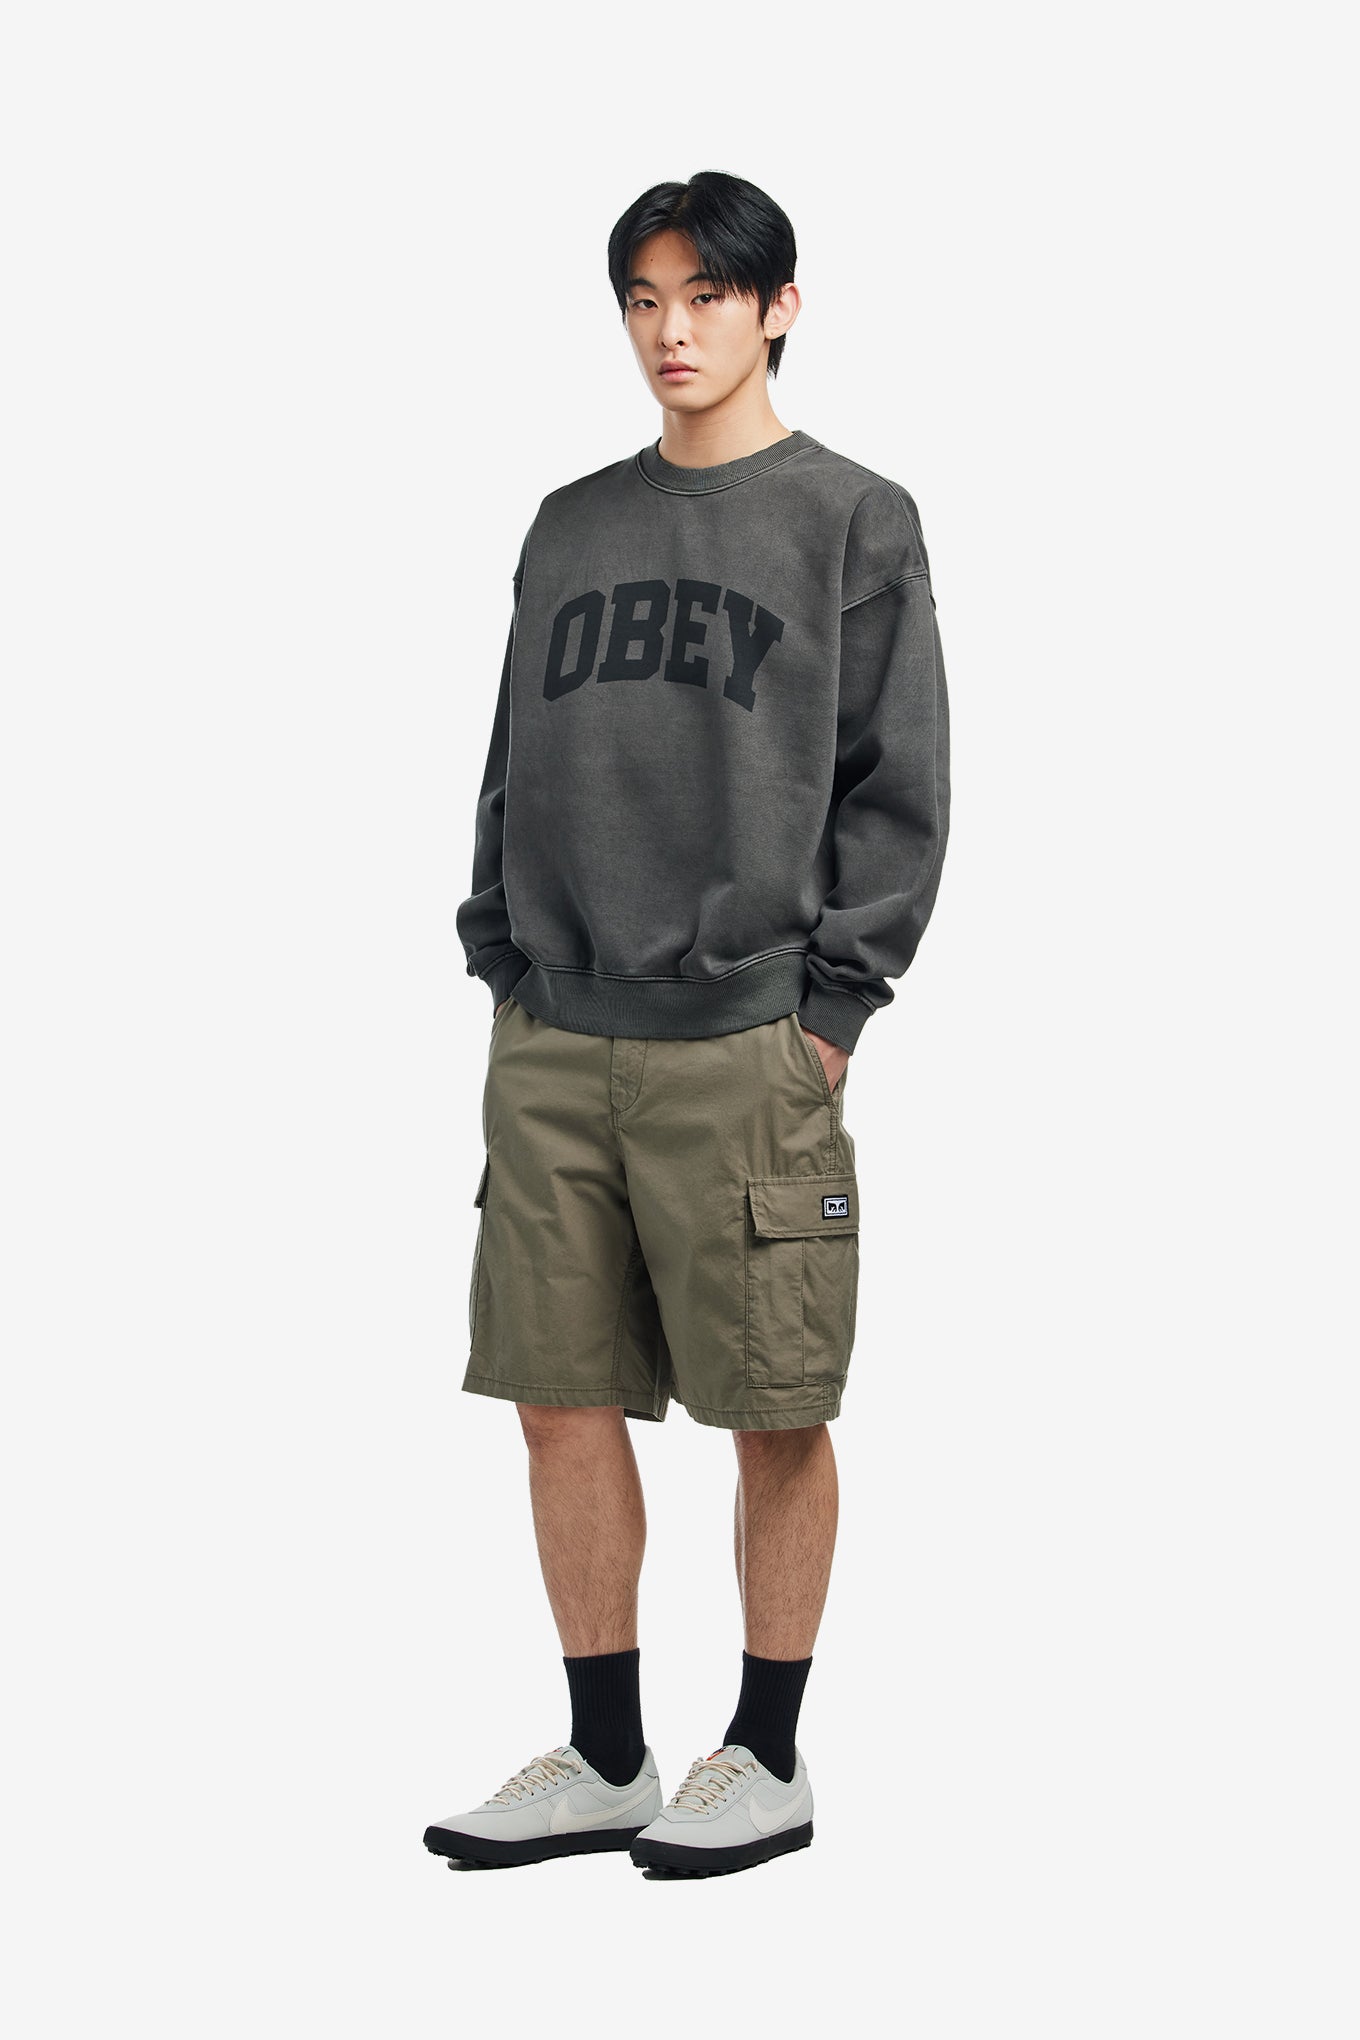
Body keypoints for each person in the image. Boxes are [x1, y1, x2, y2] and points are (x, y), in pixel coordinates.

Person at [424, 169, 951, 1878]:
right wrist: (503, 954)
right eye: (646, 300)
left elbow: (899, 787)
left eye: (709, 297)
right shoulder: (570, 522)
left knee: (771, 1404)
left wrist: (830, 1011)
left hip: (748, 1039)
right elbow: (512, 757)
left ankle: (768, 1758)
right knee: (556, 1397)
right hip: (554, 1033)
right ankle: (604, 1757)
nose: (673, 330)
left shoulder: (853, 518)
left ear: (777, 307)